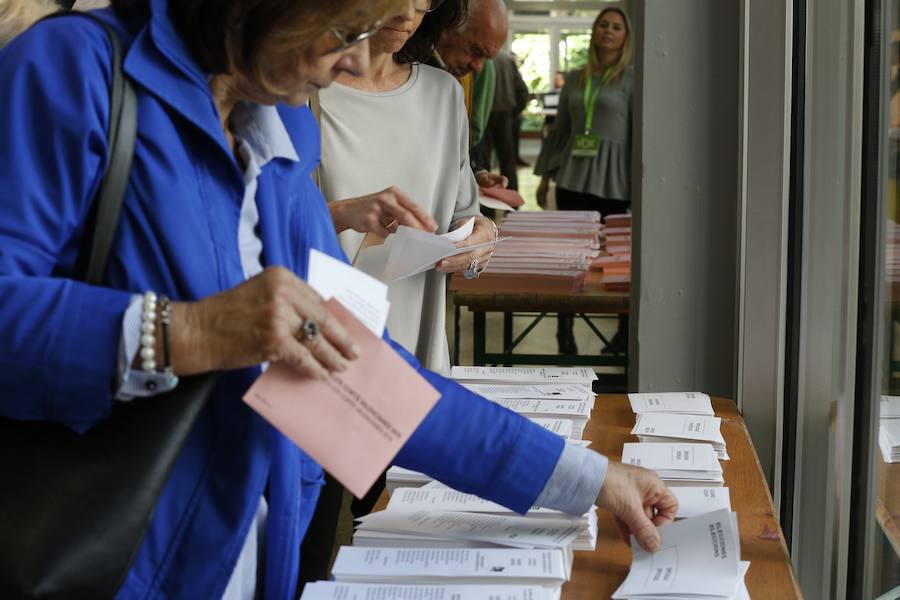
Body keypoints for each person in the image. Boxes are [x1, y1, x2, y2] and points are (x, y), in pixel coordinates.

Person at [0, 1, 673, 599]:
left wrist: (590, 479)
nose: (352, 62)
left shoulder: (284, 127)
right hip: (113, 557)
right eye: (341, 31)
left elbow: (355, 366)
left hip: (261, 559)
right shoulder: (74, 69)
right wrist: (181, 332)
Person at [534, 7, 634, 356]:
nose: (608, 31)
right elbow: (560, 132)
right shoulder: (575, 78)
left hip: (615, 182)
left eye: (616, 27)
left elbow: (639, 136)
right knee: (570, 258)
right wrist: (546, 177)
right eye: (603, 25)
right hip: (573, 177)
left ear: (626, 36)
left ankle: (623, 334)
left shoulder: (633, 79)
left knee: (619, 259)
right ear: (594, 32)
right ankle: (565, 332)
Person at [431, 0, 508, 189]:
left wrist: (476, 170)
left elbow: (465, 137)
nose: (478, 67)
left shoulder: (463, 74)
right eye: (476, 52)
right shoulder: (406, 62)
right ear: (447, 28)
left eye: (486, 58)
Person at [485, 50, 529, 190]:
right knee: (508, 159)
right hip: (505, 112)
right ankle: (511, 200)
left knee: (483, 161)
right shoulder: (506, 59)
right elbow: (522, 89)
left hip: (483, 113)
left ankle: (485, 205)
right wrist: (514, 112)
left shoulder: (479, 56)